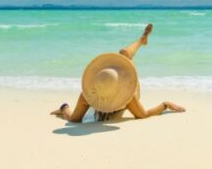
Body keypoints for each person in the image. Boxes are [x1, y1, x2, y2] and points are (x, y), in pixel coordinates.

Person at [50, 24, 185, 122]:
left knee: (124, 53)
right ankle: (142, 40)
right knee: (124, 54)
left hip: (121, 84)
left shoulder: (91, 94)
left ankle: (142, 39)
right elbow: (143, 115)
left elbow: (74, 119)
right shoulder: (125, 95)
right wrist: (165, 104)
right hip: (128, 86)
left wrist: (64, 108)